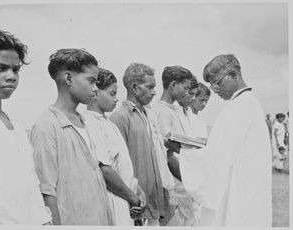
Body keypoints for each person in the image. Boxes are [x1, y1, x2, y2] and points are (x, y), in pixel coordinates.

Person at [176, 54, 272, 226]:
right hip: (249, 192)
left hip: (238, 194)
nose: (214, 89)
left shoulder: (238, 108)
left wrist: (181, 152)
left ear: (233, 75)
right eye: (212, 85)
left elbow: (216, 159)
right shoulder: (249, 103)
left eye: (217, 83)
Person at [29, 49, 113, 225]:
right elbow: (46, 192)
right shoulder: (47, 126)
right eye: (91, 81)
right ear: (68, 79)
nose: (96, 88)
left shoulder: (85, 122)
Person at [0, 29, 52, 224]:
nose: (11, 76)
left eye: (16, 69)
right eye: (0, 68)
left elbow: (30, 182)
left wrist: (45, 220)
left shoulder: (15, 123)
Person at [109, 63, 173, 226]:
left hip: (154, 202)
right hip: (137, 205)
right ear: (134, 86)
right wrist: (132, 198)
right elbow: (117, 166)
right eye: (150, 87)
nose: (154, 92)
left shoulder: (149, 115)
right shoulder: (121, 117)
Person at [84, 68, 146, 225]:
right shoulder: (90, 123)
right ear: (96, 92)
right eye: (112, 94)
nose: (116, 99)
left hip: (125, 199)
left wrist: (138, 191)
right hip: (113, 199)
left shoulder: (108, 123)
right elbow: (105, 169)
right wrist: (132, 197)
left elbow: (123, 165)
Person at [153, 65, 199, 226]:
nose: (187, 92)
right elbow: (167, 155)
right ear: (173, 85)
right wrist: (189, 180)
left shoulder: (174, 110)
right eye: (185, 88)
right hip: (174, 183)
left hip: (181, 180)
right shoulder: (161, 111)